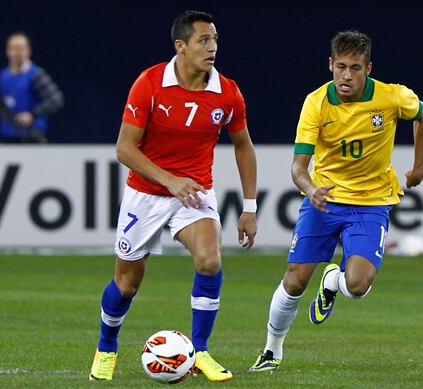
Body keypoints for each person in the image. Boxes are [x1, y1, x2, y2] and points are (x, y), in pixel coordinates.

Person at [89, 10, 257, 382]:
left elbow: (243, 146)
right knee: (126, 284)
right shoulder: (150, 84)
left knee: (210, 261)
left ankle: (200, 352)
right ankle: (106, 346)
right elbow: (125, 149)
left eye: (214, 40)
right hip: (145, 194)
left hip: (194, 193)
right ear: (180, 46)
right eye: (203, 40)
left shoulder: (227, 92)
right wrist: (170, 181)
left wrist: (249, 207)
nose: (212, 47)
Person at [248, 30, 423, 373]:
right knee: (295, 281)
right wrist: (311, 187)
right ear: (331, 65)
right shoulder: (316, 103)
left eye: (356, 68)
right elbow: (298, 167)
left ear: (368, 69)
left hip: (371, 203)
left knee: (359, 286)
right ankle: (272, 350)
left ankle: (333, 281)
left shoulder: (392, 97)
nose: (347, 75)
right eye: (341, 67)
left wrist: (419, 165)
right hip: (324, 200)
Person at [0, 32, 63, 142]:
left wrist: (33, 114)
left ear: (28, 51)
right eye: (14, 49)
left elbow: (56, 99)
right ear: (7, 51)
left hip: (32, 136)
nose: (17, 53)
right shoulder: (2, 75)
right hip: (8, 136)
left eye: (21, 49)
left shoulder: (36, 74)